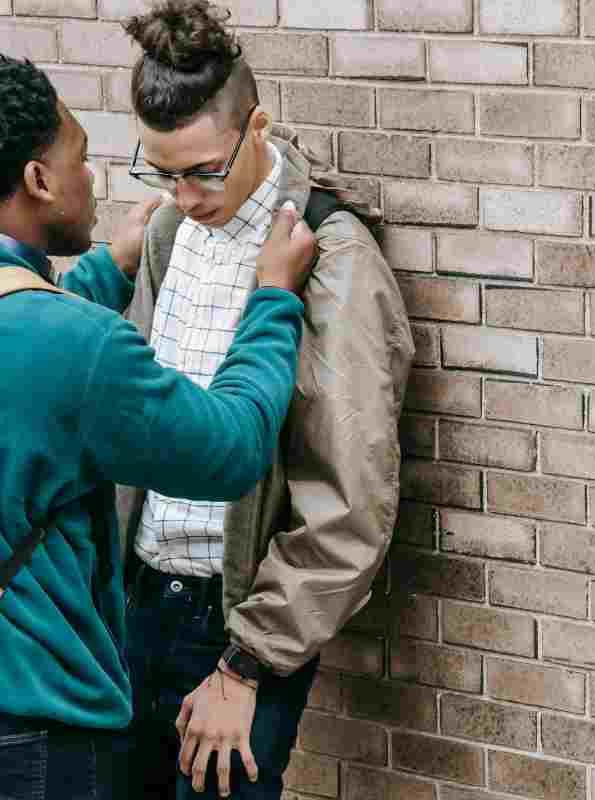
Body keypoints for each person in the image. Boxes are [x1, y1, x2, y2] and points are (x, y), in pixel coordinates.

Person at [116, 2, 415, 798]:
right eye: (164, 172)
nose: (185, 194)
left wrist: (246, 666)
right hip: (133, 601)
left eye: (204, 169)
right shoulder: (167, 236)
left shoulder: (329, 254)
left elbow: (350, 498)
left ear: (258, 126)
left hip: (236, 624)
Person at [0, 54, 316, 800]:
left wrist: (105, 270)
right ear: (40, 181)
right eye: (80, 156)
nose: (94, 179)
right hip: (40, 728)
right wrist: (272, 300)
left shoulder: (55, 329)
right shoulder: (76, 344)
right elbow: (233, 447)